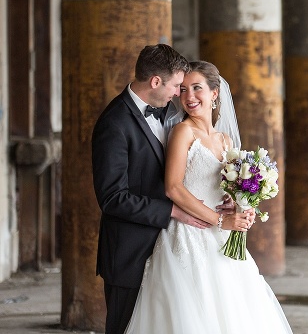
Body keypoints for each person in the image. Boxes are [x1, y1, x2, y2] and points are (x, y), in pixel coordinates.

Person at [125, 60, 293, 334]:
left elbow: (223, 186)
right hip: (189, 234)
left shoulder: (225, 140)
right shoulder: (182, 132)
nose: (189, 96)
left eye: (197, 88)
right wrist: (219, 220)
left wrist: (239, 205)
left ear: (214, 93)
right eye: (183, 89)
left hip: (221, 236)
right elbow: (173, 188)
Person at [91, 44, 248, 334]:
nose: (180, 94)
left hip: (182, 244)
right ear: (155, 82)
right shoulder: (114, 123)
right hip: (132, 248)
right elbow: (112, 198)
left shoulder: (168, 114)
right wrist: (175, 211)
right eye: (178, 86)